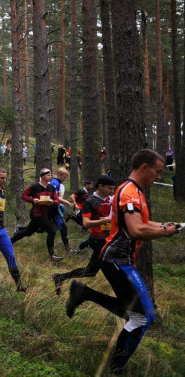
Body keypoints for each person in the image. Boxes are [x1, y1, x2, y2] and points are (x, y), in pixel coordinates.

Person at [66, 150, 180, 374]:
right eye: (157, 172)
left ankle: (84, 293)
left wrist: (163, 225)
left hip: (121, 259)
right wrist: (165, 232)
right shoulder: (129, 193)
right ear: (144, 168)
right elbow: (137, 230)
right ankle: (116, 369)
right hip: (117, 259)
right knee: (143, 318)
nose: (158, 177)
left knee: (139, 316)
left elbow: (142, 224)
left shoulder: (135, 192)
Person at [52, 175, 116, 294]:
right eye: (109, 188)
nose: (112, 191)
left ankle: (60, 277)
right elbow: (86, 223)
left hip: (108, 238)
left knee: (90, 272)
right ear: (100, 186)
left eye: (113, 189)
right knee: (113, 267)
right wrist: (106, 220)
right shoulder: (90, 201)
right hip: (97, 239)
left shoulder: (110, 199)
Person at [10, 168, 64, 261]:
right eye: (48, 175)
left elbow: (57, 201)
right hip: (36, 214)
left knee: (28, 232)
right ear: (42, 176)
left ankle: (9, 242)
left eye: (51, 175)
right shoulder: (35, 186)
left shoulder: (51, 188)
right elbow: (24, 195)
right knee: (52, 231)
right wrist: (33, 200)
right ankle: (52, 256)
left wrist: (52, 202)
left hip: (45, 214)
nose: (50, 176)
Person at [50, 168, 75, 253]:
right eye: (64, 177)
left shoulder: (58, 183)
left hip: (55, 209)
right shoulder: (55, 183)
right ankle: (67, 250)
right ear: (59, 175)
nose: (65, 179)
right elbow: (55, 197)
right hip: (53, 210)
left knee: (60, 229)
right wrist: (66, 202)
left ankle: (67, 249)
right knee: (61, 228)